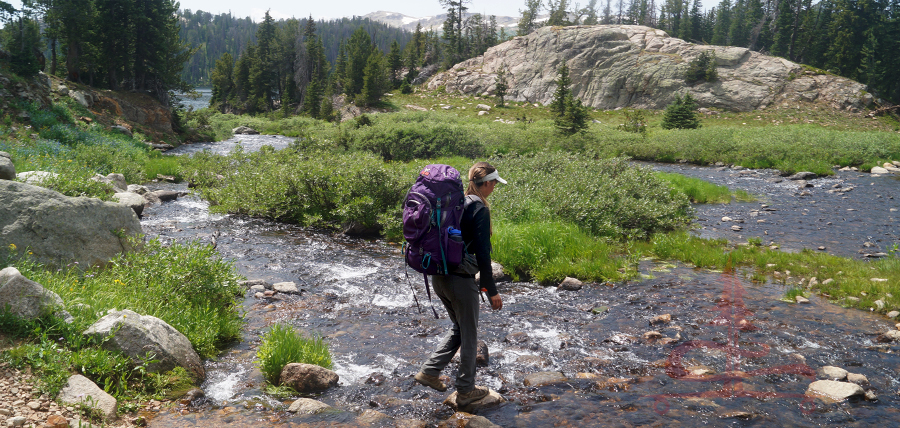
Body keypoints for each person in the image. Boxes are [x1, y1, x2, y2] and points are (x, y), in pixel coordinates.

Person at [414, 161, 505, 406]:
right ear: (485, 183)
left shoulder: (455, 204)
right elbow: (484, 253)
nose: (495, 187)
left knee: (459, 329)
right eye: (494, 183)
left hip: (439, 276)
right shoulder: (479, 209)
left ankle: (429, 372)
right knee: (470, 334)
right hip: (460, 280)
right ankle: (466, 390)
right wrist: (491, 289)